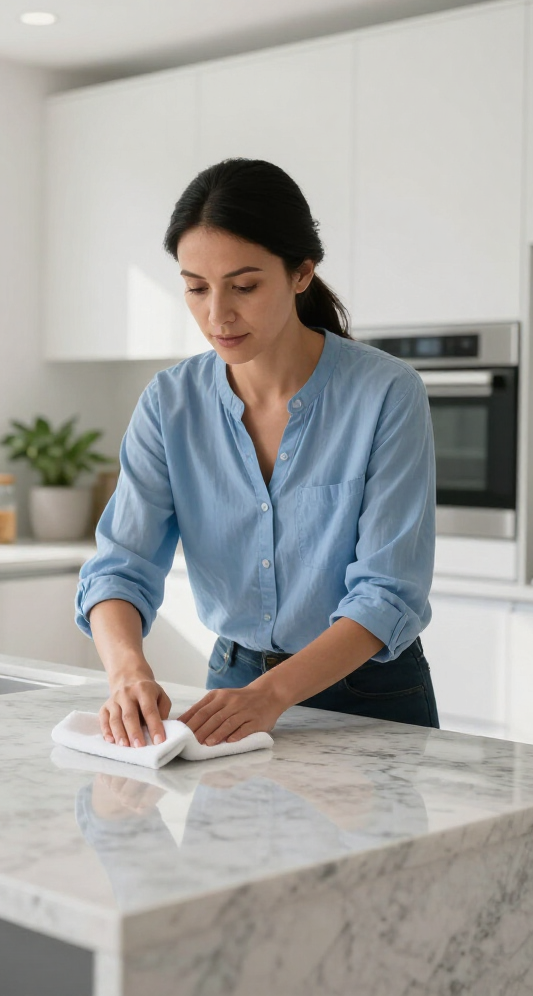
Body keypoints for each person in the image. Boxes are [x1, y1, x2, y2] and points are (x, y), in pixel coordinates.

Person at [74, 158, 437, 749]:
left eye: (244, 286)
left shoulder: (385, 393)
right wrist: (127, 671)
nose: (217, 314)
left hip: (371, 694)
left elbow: (388, 593)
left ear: (301, 274)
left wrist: (272, 695)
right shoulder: (170, 404)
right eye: (196, 288)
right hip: (233, 683)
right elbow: (121, 567)